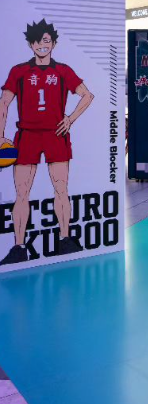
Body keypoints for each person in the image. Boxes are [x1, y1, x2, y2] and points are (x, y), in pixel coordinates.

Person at [0, 20, 94, 265]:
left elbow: (87, 95)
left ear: (53, 43)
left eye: (46, 40)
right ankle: (19, 247)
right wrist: (0, 136)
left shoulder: (62, 70)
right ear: (30, 45)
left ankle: (65, 240)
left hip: (55, 134)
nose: (41, 45)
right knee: (22, 193)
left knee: (61, 188)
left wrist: (70, 119)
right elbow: (4, 102)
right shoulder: (19, 71)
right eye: (37, 41)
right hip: (27, 134)